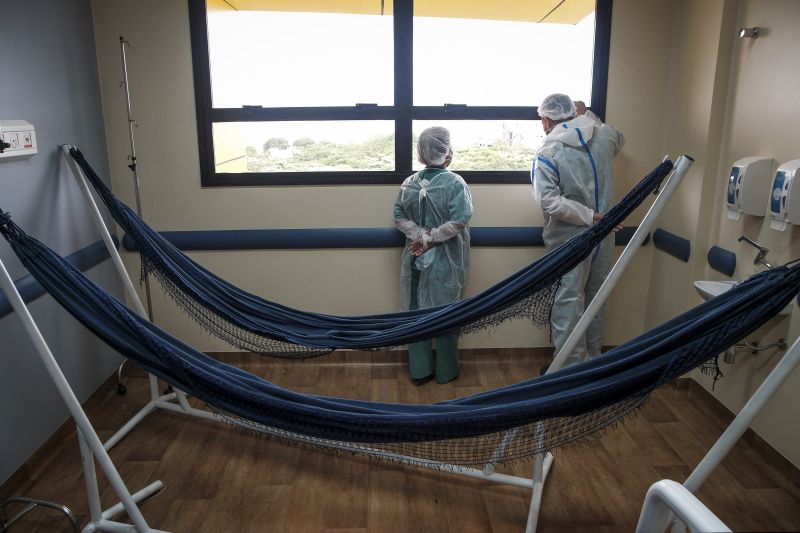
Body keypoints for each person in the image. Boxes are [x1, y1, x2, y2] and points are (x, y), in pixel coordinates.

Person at [531, 93, 625, 369]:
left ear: (546, 119)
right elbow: (621, 137)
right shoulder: (605, 135)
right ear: (575, 112)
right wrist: (586, 115)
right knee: (597, 299)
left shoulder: (548, 151)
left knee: (567, 303)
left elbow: (548, 201)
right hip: (605, 234)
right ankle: (591, 366)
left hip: (567, 239)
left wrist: (587, 216)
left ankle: (568, 370)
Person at [393, 127, 473, 385]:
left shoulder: (409, 183)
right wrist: (431, 238)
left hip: (415, 258)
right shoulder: (455, 182)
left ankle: (420, 371)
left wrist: (419, 235)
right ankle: (447, 372)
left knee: (417, 316)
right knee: (447, 314)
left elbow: (399, 216)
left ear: (420, 153)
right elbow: (460, 220)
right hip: (446, 261)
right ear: (448, 153)